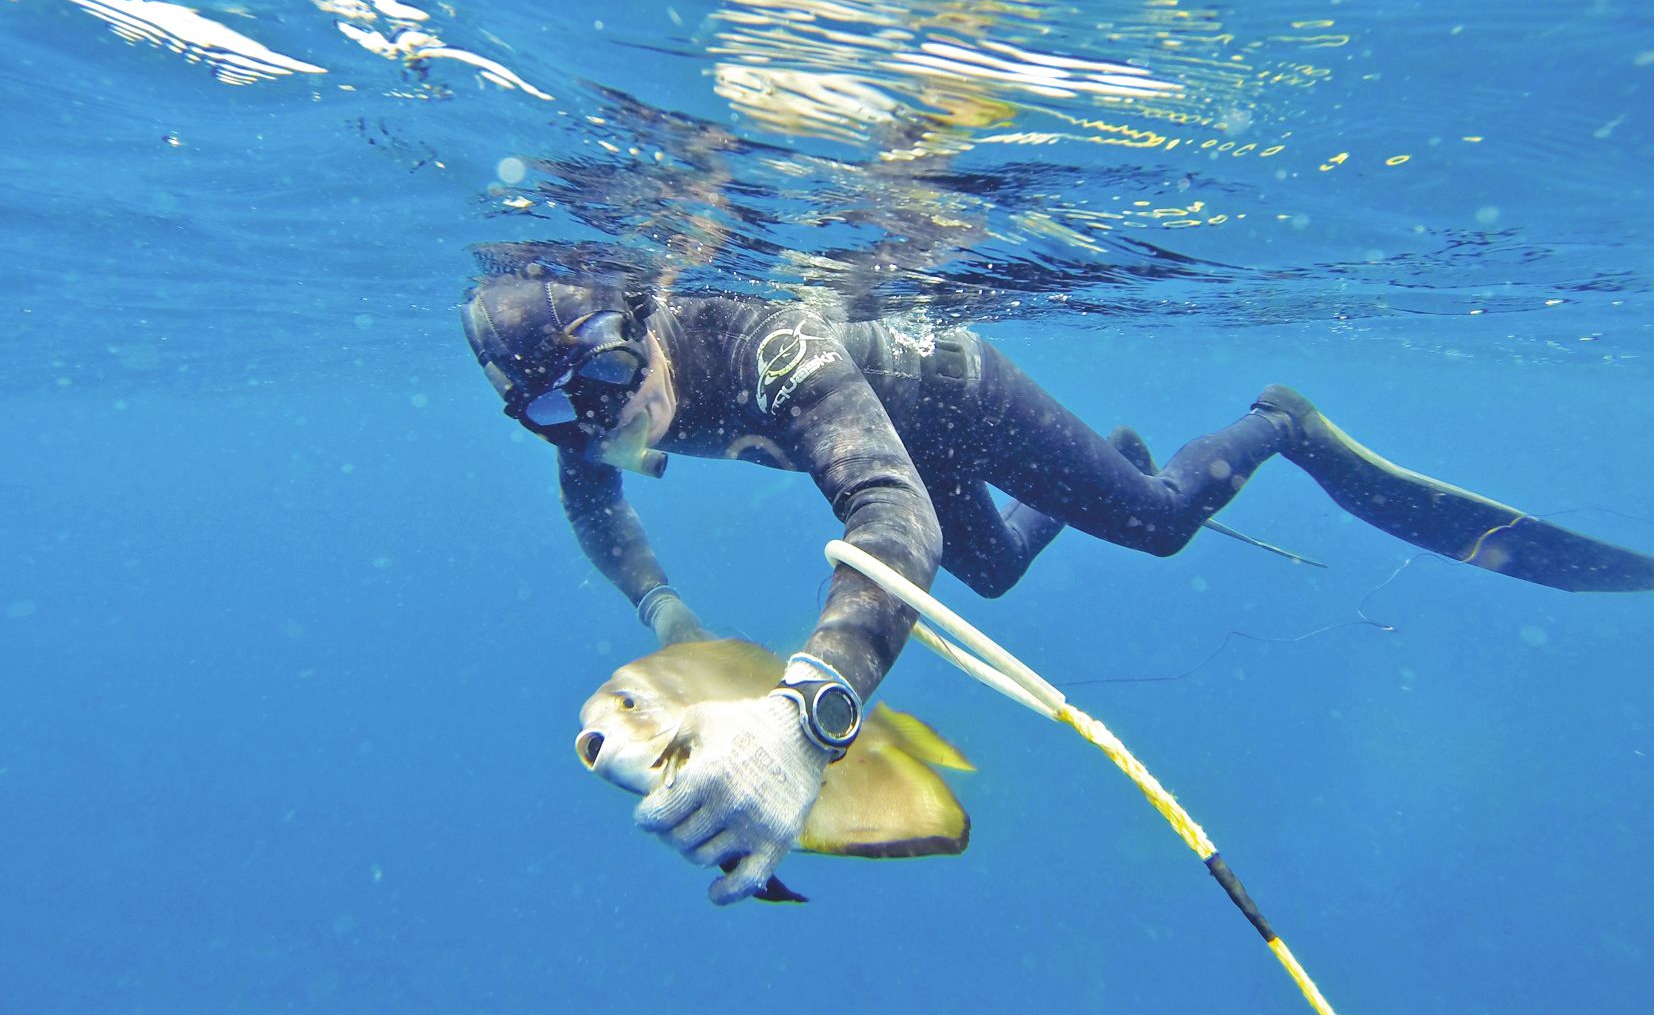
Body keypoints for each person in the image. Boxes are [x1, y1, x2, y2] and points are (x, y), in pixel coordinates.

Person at [461, 270, 1654, 904]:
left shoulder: (769, 349)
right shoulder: (581, 403)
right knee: (991, 571)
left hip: (957, 396)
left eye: (614, 376)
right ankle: (1111, 454)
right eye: (555, 409)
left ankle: (1273, 421)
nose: (605, 419)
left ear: (645, 317)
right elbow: (592, 492)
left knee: (1158, 526)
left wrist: (804, 717)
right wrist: (666, 615)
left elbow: (890, 517)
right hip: (908, 446)